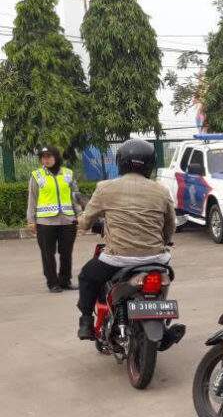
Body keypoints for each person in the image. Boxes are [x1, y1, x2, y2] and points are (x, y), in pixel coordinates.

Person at [76, 140, 181, 342]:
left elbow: (86, 221)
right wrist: (166, 240)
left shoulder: (105, 188)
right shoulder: (161, 190)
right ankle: (159, 316)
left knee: (87, 276)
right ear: (150, 164)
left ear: (121, 162)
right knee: (164, 277)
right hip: (155, 259)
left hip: (117, 260)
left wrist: (80, 221)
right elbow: (170, 225)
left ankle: (86, 321)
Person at [27, 145, 85, 293]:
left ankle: (65, 281)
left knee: (66, 252)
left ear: (56, 157)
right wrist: (31, 220)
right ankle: (52, 283)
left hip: (67, 221)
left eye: (49, 156)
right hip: (45, 223)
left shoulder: (68, 174)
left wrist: (79, 214)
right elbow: (32, 199)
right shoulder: (37, 176)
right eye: (43, 157)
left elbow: (75, 196)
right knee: (48, 254)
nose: (45, 160)